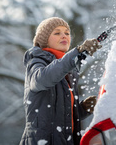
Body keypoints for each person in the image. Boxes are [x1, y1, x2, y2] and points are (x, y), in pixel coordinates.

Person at [20, 17, 102, 145]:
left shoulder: (68, 70)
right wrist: (76, 53)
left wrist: (82, 110)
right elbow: (41, 79)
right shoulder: (36, 62)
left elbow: (61, 117)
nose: (64, 36)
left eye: (67, 33)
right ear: (44, 40)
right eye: (57, 33)